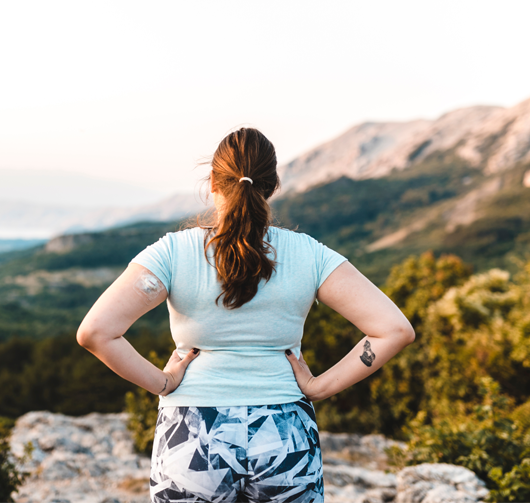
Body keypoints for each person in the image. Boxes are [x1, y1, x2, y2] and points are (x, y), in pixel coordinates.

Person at [77, 128, 415, 503]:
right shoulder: (310, 254)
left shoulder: (173, 252)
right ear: (272, 186)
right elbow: (393, 330)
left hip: (191, 433)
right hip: (284, 433)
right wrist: (320, 387)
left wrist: (163, 381)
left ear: (211, 183)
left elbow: (96, 332)